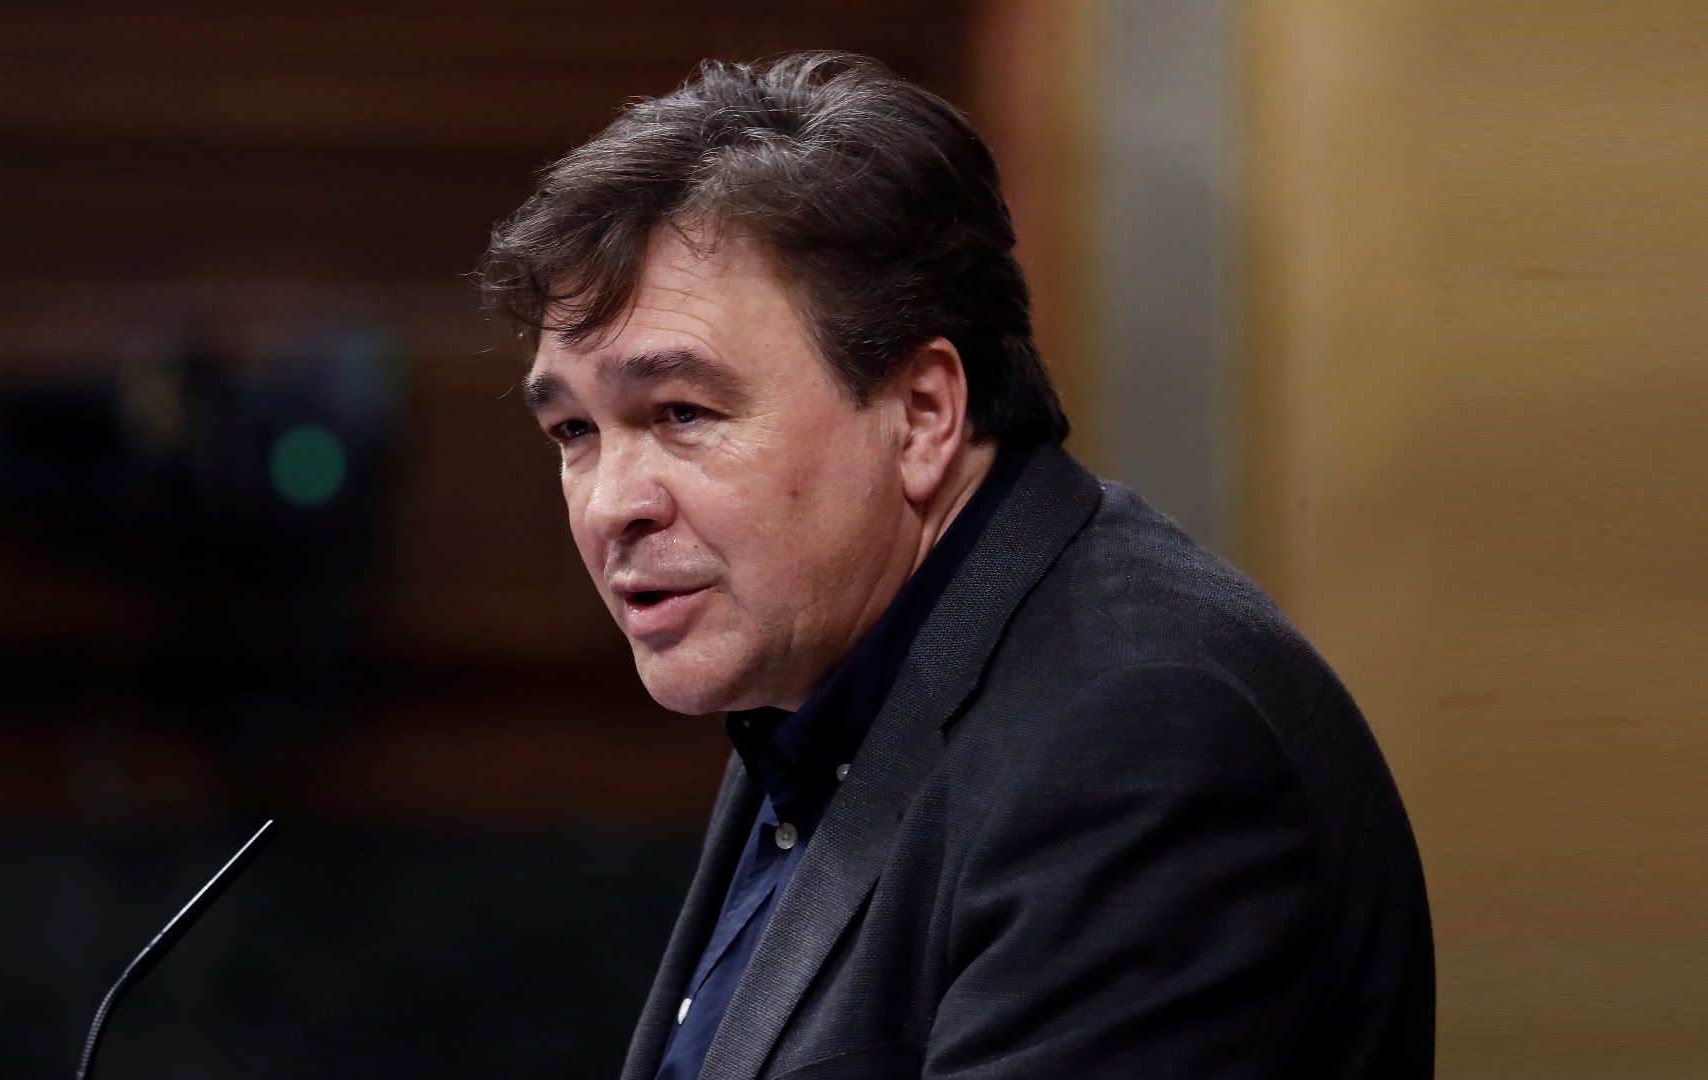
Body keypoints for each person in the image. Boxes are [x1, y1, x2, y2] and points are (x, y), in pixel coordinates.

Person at [479, 53, 1432, 1080]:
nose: (610, 505)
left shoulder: (1135, 736)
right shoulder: (825, 672)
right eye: (574, 432)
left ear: (925, 413)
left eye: (682, 413)